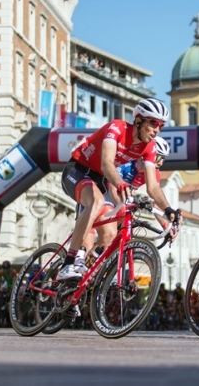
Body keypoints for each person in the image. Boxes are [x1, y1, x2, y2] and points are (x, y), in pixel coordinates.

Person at [58, 98, 180, 280]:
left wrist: (168, 210)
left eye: (161, 125)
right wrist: (121, 183)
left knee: (112, 233)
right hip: (78, 170)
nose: (157, 129)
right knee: (97, 202)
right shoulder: (117, 128)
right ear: (138, 121)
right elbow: (107, 163)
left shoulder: (149, 148)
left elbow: (153, 188)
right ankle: (69, 263)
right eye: (153, 123)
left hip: (99, 180)